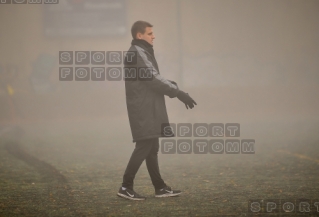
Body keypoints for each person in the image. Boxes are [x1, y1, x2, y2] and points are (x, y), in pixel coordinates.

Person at [117, 21, 197, 201]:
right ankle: (125, 186)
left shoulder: (142, 52)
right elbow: (152, 78)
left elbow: (150, 77)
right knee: (145, 145)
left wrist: (171, 85)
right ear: (139, 35)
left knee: (152, 147)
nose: (154, 36)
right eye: (150, 33)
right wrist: (178, 93)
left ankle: (159, 187)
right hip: (143, 108)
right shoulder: (137, 53)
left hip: (147, 106)